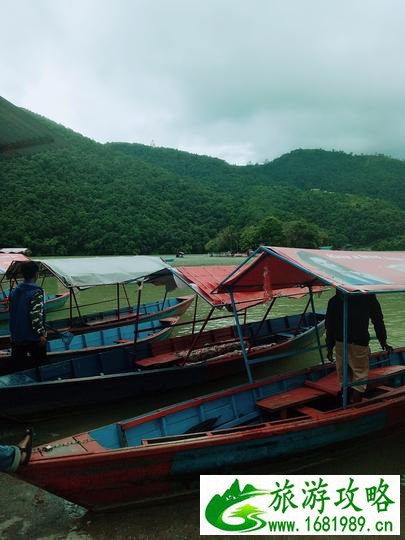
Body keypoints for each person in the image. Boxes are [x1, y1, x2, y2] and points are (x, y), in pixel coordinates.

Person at [326, 290, 393, 403]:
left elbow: (329, 327)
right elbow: (378, 321)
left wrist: (329, 347)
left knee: (344, 375)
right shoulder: (368, 297)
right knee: (360, 376)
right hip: (359, 343)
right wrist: (383, 341)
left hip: (340, 343)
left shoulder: (334, 301)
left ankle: (346, 403)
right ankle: (355, 405)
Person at [9, 261, 47, 371]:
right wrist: (41, 334)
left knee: (18, 369)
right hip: (33, 338)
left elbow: (12, 313)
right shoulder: (36, 292)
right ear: (36, 274)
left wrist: (13, 334)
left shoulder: (14, 291)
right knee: (41, 367)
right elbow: (36, 317)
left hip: (16, 337)